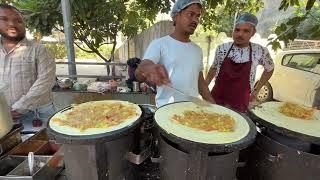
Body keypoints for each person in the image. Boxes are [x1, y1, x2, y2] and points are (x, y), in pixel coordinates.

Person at [135, 0, 214, 107]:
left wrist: (215, 108)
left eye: (198, 16)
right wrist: (147, 68)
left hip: (192, 113)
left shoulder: (197, 50)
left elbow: (201, 85)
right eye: (190, 14)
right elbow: (140, 73)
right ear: (176, 16)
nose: (195, 20)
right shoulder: (159, 44)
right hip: (165, 112)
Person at [0, 4, 56, 131]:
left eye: (18, 20)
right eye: (4, 19)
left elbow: (45, 82)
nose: (12, 24)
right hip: (4, 117)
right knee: (10, 149)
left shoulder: (39, 50)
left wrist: (18, 108)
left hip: (37, 114)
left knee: (43, 149)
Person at [206, 13, 274, 113]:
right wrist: (205, 89)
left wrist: (256, 90)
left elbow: (270, 68)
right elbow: (213, 68)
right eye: (237, 30)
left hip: (240, 103)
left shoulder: (260, 51)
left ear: (253, 32)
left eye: (246, 31)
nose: (240, 34)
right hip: (217, 99)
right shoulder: (222, 48)